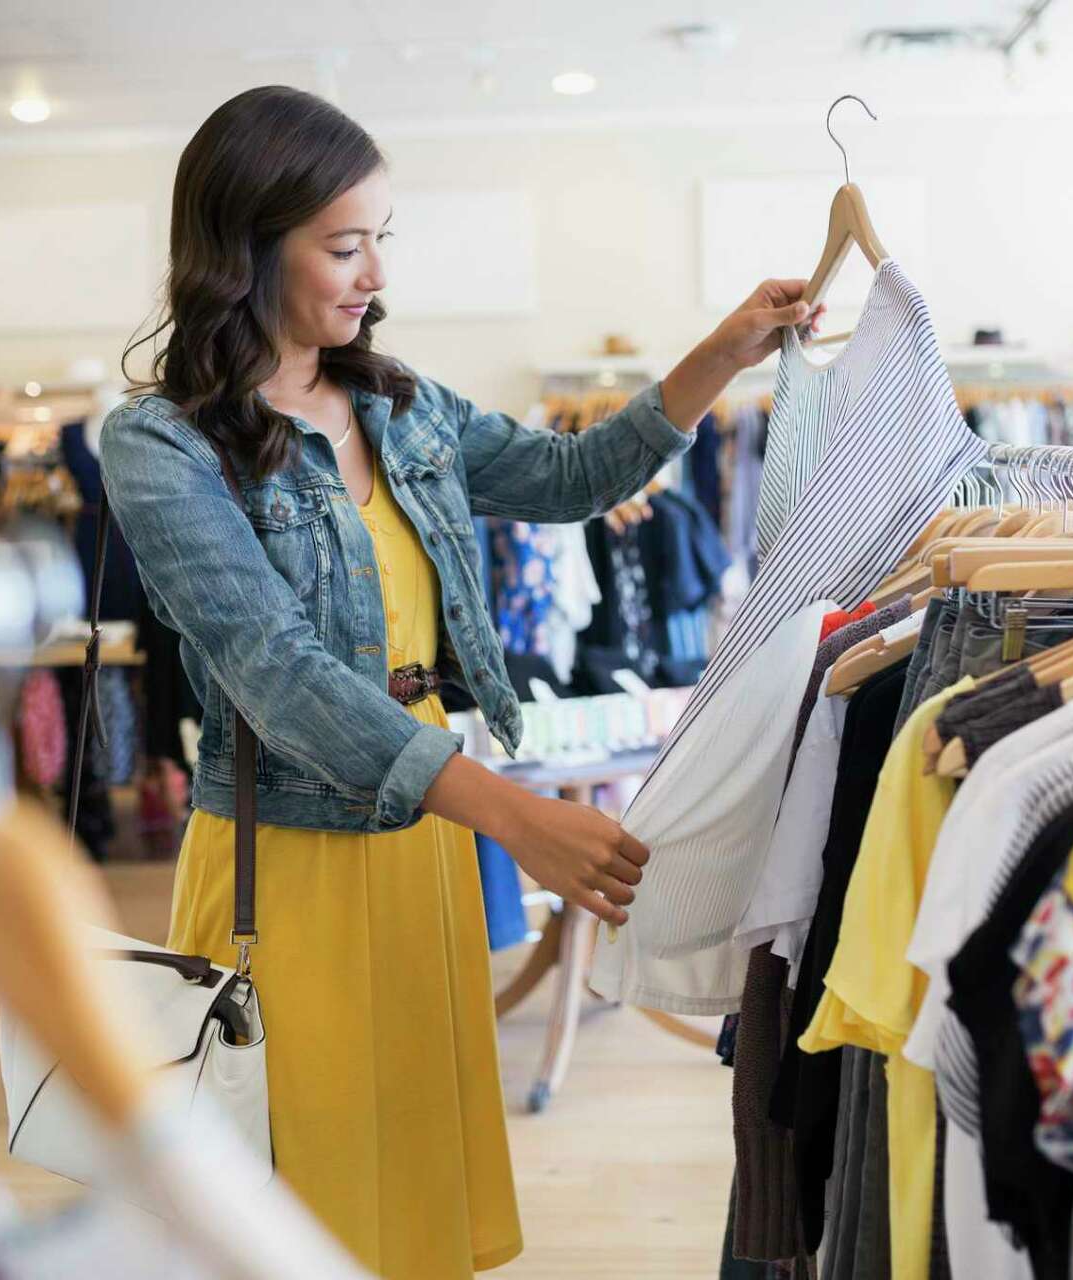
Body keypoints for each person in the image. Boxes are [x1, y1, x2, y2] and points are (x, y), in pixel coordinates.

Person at [99, 85, 823, 1279]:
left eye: (383, 236)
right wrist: (517, 813)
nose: (375, 270)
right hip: (291, 859)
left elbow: (572, 473)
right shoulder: (164, 442)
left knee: (411, 1177)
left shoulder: (399, 403)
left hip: (425, 831)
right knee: (296, 1194)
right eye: (344, 243)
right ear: (245, 245)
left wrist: (720, 353)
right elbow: (276, 671)